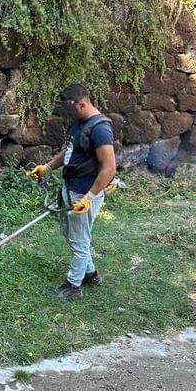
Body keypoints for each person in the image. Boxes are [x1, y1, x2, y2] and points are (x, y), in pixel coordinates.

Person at [27, 83, 116, 300]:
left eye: (70, 109)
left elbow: (109, 167)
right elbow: (69, 151)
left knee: (79, 241)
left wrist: (90, 197)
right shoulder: (80, 124)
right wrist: (47, 167)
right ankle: (91, 273)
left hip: (84, 194)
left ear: (82, 104)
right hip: (70, 189)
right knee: (72, 236)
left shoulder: (100, 129)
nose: (67, 114)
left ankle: (73, 286)